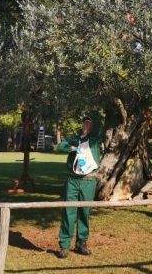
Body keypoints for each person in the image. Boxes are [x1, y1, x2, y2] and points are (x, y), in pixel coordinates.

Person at [55, 111, 104, 259]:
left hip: (88, 181)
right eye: (85, 122)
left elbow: (101, 129)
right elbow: (60, 147)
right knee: (69, 212)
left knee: (84, 212)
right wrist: (73, 147)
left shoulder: (95, 140)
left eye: (89, 123)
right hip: (72, 181)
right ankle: (64, 245)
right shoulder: (74, 139)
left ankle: (81, 243)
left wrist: (92, 128)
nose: (86, 125)